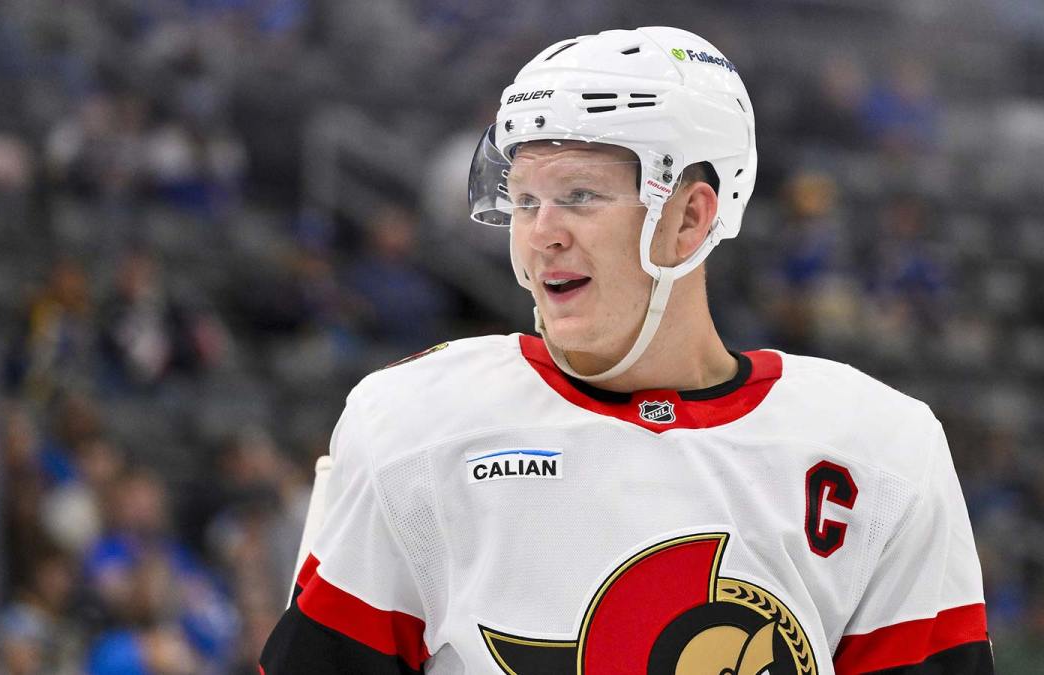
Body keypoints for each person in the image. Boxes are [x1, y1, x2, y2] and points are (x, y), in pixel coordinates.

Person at [260, 27, 992, 674]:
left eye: (579, 194)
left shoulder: (883, 454)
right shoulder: (415, 428)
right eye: (522, 199)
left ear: (690, 218)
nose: (541, 231)